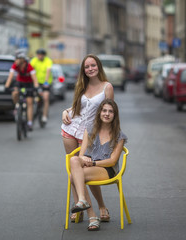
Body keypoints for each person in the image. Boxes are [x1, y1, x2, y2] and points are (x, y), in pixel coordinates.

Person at [61, 54, 114, 223]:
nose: (90, 69)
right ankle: (79, 206)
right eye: (86, 67)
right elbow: (77, 106)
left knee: (87, 173)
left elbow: (109, 111)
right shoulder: (82, 85)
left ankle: (101, 206)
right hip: (70, 130)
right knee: (74, 171)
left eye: (93, 65)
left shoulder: (107, 87)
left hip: (91, 135)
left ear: (98, 66)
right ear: (83, 70)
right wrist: (65, 111)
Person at [70, 99, 127, 231]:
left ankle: (92, 215)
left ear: (115, 115)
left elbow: (112, 161)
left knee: (74, 176)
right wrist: (84, 159)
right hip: (90, 166)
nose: (107, 114)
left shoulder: (119, 135)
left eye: (110, 111)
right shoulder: (90, 129)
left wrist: (93, 162)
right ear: (99, 112)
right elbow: (81, 154)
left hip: (107, 169)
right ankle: (85, 202)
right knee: (74, 160)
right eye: (104, 110)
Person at [5, 52, 39, 131]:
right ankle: (17, 107)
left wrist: (36, 87)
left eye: (17, 59)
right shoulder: (15, 65)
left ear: (22, 60)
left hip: (29, 84)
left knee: (29, 102)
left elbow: (35, 79)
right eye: (15, 59)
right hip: (20, 82)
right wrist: (6, 86)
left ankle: (30, 123)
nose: (15, 61)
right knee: (14, 93)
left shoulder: (29, 66)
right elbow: (10, 76)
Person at [30, 48, 53, 123]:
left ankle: (44, 116)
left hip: (46, 82)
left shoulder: (48, 60)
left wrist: (46, 82)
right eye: (38, 55)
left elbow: (48, 71)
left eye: (41, 55)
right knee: (32, 96)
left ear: (44, 55)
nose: (40, 56)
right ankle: (33, 109)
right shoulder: (34, 60)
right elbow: (30, 70)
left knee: (45, 98)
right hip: (36, 82)